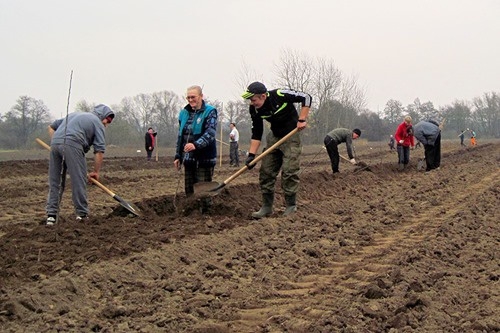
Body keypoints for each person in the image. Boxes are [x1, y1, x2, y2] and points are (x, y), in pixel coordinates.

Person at [241, 81, 312, 218]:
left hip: (291, 136)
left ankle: (291, 205)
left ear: (263, 96)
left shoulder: (280, 94)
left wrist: (302, 119)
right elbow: (257, 131)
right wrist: (251, 155)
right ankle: (267, 207)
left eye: (253, 99)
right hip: (274, 137)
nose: (252, 102)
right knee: (266, 171)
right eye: (250, 100)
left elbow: (307, 97)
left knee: (289, 170)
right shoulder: (254, 109)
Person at [46, 104, 115, 225]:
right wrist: (96, 172)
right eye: (107, 120)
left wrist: (57, 143)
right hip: (73, 143)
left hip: (55, 144)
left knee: (55, 182)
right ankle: (82, 214)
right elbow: (99, 151)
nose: (106, 123)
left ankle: (51, 216)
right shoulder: (97, 123)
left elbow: (51, 127)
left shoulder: (74, 115)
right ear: (102, 116)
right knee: (79, 180)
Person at [173, 85, 217, 204]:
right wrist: (178, 156)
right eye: (188, 97)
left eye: (193, 97)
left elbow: (210, 133)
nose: (190, 100)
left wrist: (196, 145)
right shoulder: (183, 113)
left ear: (201, 96)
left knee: (203, 193)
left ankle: (205, 215)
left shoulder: (210, 111)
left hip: (204, 159)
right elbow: (180, 136)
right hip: (188, 159)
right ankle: (191, 217)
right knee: (189, 191)